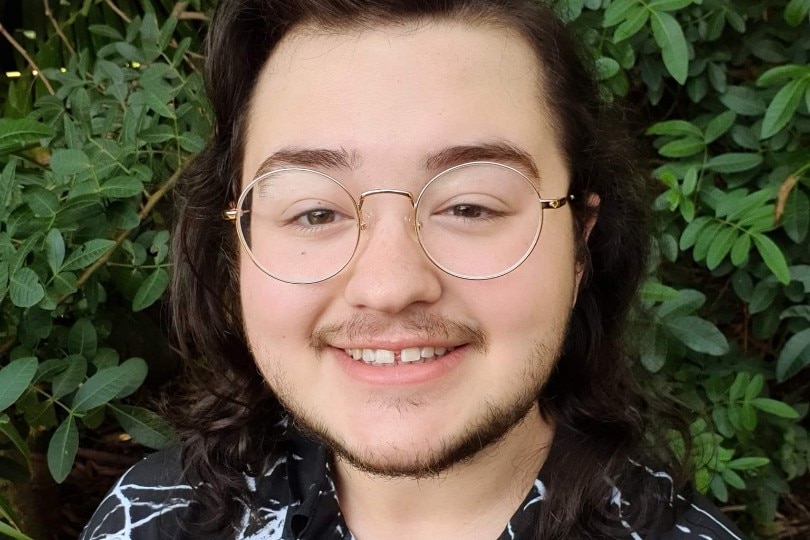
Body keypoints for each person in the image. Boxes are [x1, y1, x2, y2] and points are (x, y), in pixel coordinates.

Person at [80, 1, 749, 539]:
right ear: (240, 243)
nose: (390, 285)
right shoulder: (153, 519)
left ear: (580, 242)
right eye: (314, 212)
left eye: (469, 205)